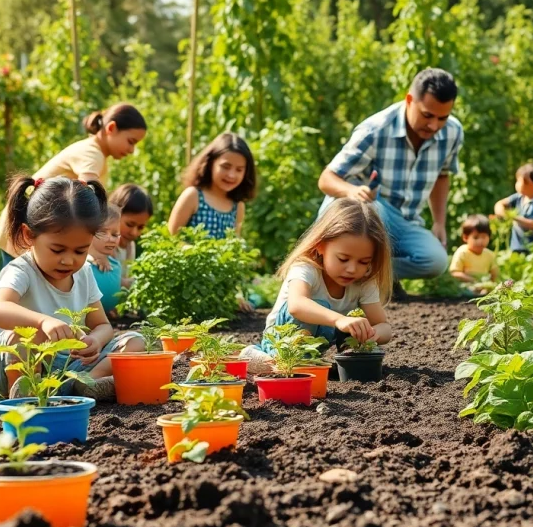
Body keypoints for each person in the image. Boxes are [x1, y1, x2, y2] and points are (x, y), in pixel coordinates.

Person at [0, 176, 148, 401]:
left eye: (80, 251)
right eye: (58, 250)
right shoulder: (21, 270)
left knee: (135, 340)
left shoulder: (83, 273)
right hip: (15, 362)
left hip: (65, 365)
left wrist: (97, 341)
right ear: (29, 235)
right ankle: (26, 399)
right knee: (27, 336)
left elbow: (101, 324)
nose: (69, 260)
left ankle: (85, 384)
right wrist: (43, 321)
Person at [317, 68, 463, 296]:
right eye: (427, 115)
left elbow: (442, 175)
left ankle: (377, 275)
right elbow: (327, 179)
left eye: (442, 118)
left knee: (435, 261)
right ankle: (343, 278)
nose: (434, 125)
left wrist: (439, 222)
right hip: (366, 213)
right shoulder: (376, 130)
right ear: (409, 100)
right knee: (373, 212)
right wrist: (353, 191)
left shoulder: (453, 132)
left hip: (405, 220)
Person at [240, 199, 393, 370]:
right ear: (320, 245)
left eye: (364, 262)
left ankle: (303, 365)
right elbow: (297, 306)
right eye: (343, 259)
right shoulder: (306, 268)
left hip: (313, 347)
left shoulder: (364, 282)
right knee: (321, 309)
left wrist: (371, 335)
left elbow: (384, 326)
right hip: (282, 342)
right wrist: (340, 319)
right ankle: (261, 358)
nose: (352, 269)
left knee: (358, 321)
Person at [0, 103, 147, 266]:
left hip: (35, 229)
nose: (132, 150)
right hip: (28, 229)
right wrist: (96, 250)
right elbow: (89, 203)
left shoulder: (94, 153)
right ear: (111, 128)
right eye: (131, 141)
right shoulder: (92, 154)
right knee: (20, 286)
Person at [168, 132, 256, 240]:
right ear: (210, 163)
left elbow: (234, 244)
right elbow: (172, 238)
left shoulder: (237, 206)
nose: (231, 175)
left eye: (239, 169)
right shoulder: (193, 196)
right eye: (225, 167)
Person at [494, 163, 533, 254]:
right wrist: (501, 212)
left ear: (531, 185)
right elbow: (500, 204)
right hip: (516, 246)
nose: (517, 184)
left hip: (531, 249)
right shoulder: (520, 197)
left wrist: (512, 217)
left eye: (519, 181)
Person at [107, 184, 153, 282]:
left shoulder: (130, 246)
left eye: (140, 227)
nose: (134, 233)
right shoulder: (104, 244)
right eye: (129, 224)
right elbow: (109, 281)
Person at [88, 204, 126, 317]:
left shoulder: (114, 264)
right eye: (103, 232)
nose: (110, 239)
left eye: (115, 234)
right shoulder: (85, 263)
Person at [449, 215, 499, 292]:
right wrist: (473, 280)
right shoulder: (462, 252)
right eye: (475, 237)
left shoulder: (489, 254)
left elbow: (494, 274)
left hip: (483, 285)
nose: (480, 241)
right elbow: (455, 273)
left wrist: (491, 284)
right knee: (467, 291)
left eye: (484, 237)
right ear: (465, 237)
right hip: (466, 285)